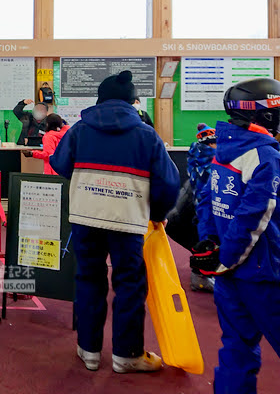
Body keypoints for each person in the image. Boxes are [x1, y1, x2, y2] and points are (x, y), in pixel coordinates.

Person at [51, 70, 180, 374]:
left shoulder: (80, 130)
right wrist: (157, 213)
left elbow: (59, 163)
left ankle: (89, 350)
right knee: (130, 285)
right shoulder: (147, 135)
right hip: (128, 221)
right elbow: (169, 183)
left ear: (100, 99)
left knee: (88, 280)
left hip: (85, 217)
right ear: (131, 101)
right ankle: (127, 354)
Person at [191, 78, 280, 394]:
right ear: (266, 113)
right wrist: (227, 258)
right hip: (260, 274)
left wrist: (212, 248)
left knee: (236, 349)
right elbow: (253, 216)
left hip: (227, 273)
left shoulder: (221, 150)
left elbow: (206, 202)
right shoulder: (265, 155)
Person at [166, 123, 217, 293]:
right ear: (210, 143)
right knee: (206, 242)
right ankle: (201, 277)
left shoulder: (196, 155)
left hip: (189, 209)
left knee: (203, 242)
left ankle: (202, 276)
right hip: (202, 210)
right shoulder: (212, 161)